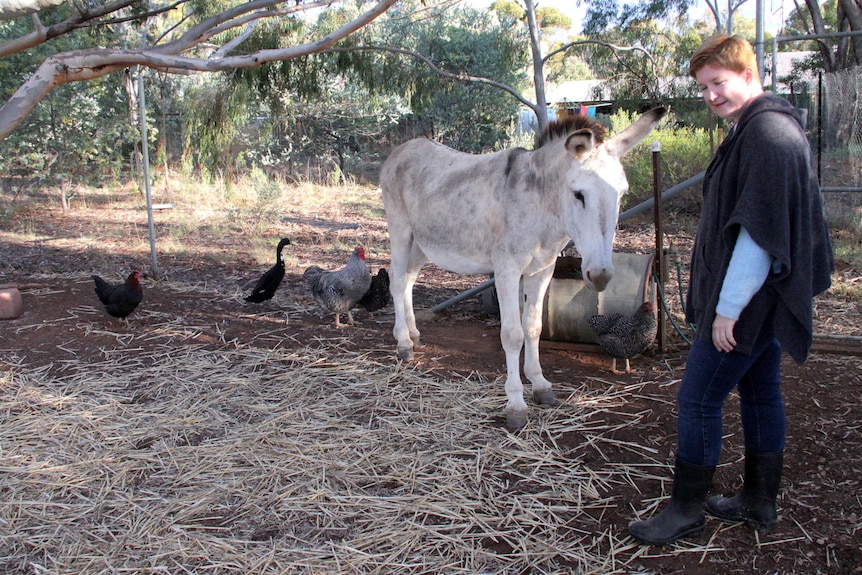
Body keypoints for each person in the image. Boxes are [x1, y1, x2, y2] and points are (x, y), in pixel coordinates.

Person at [628, 34, 835, 546]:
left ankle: (687, 509)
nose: (711, 95)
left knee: (698, 399)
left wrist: (727, 311)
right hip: (767, 299)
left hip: (749, 302)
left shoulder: (768, 137)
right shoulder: (761, 128)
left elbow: (757, 238)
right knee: (761, 390)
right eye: (702, 87)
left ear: (748, 74)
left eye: (718, 82)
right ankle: (759, 501)